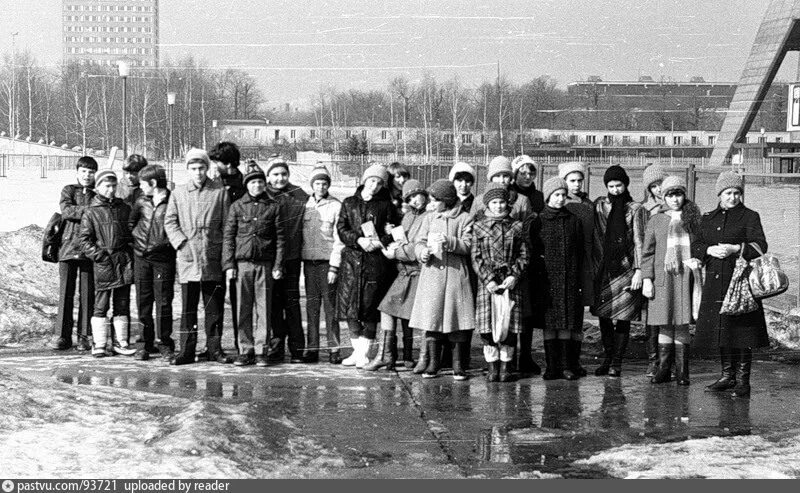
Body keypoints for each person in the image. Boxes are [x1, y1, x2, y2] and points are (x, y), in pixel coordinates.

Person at [694, 171, 768, 398]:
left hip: (741, 282)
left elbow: (761, 246)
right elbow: (696, 244)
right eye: (728, 193)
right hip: (716, 280)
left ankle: (743, 380)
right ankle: (727, 376)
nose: (733, 197)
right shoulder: (707, 218)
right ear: (719, 194)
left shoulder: (749, 216)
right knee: (722, 329)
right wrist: (708, 250)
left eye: (737, 193)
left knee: (742, 331)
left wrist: (737, 249)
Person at [164, 148, 232, 366]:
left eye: (202, 168)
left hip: (212, 256)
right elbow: (170, 222)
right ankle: (186, 350)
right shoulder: (178, 193)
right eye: (193, 168)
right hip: (188, 257)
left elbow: (228, 224)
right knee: (188, 308)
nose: (198, 172)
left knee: (214, 308)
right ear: (187, 170)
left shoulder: (219, 192)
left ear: (207, 168)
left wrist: (221, 249)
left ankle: (214, 348)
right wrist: (181, 244)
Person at [335, 164, 399, 368]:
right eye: (372, 180)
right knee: (350, 309)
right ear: (364, 180)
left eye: (380, 183)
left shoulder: (386, 205)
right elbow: (341, 228)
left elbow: (394, 230)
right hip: (351, 263)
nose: (375, 185)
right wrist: (358, 240)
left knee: (370, 309)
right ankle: (358, 352)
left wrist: (380, 240)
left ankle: (363, 353)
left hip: (374, 263)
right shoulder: (349, 202)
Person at [410, 179, 475, 379]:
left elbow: (469, 245)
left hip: (456, 276)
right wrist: (421, 253)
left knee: (456, 321)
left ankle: (457, 365)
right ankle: (433, 364)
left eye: (435, 200)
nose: (431, 203)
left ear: (446, 200)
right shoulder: (429, 219)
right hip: (432, 276)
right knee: (432, 320)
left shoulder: (465, 218)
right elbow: (419, 241)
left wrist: (450, 242)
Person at [223, 162, 285, 367]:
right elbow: (229, 238)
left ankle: (261, 351)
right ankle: (245, 349)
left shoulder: (273, 207)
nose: (256, 186)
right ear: (247, 185)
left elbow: (280, 239)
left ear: (264, 184)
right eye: (253, 182)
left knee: (264, 309)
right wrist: (229, 264)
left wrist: (277, 265)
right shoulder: (237, 207)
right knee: (242, 308)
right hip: (242, 265)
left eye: (260, 182)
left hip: (265, 265)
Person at [641, 175, 701, 386]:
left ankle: (683, 372)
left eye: (679, 194)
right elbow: (647, 253)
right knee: (664, 323)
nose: (675, 199)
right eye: (670, 195)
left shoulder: (693, 217)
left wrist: (698, 261)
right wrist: (647, 279)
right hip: (663, 278)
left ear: (685, 195)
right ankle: (664, 369)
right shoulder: (656, 219)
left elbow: (701, 245)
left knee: (682, 324)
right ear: (663, 197)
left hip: (685, 277)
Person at [366, 179, 428, 372]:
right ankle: (386, 356)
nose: (414, 200)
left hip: (420, 273)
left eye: (416, 195)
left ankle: (424, 358)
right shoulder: (408, 216)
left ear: (424, 194)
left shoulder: (430, 216)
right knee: (387, 308)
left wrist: (397, 252)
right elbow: (405, 240)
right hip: (405, 271)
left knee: (423, 317)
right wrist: (392, 237)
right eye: (409, 198)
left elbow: (419, 245)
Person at [592, 165, 647, 377]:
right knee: (604, 316)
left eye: (619, 185)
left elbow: (639, 240)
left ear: (626, 185)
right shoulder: (600, 207)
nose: (615, 190)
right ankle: (607, 358)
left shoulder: (635, 209)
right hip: (604, 269)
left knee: (623, 317)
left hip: (625, 268)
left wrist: (639, 270)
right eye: (611, 186)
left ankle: (617, 362)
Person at [472, 183, 529, 382]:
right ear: (488, 204)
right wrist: (487, 279)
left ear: (508, 203)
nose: (498, 206)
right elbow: (476, 257)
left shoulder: (516, 226)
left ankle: (506, 366)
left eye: (502, 202)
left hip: (510, 284)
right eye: (494, 202)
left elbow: (523, 254)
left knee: (509, 327)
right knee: (488, 328)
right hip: (488, 284)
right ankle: (492, 366)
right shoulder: (478, 226)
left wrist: (514, 275)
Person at [78, 169, 136, 358]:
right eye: (107, 186)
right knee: (101, 304)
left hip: (122, 262)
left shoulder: (124, 208)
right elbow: (84, 240)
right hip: (104, 264)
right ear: (98, 188)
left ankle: (121, 342)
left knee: (122, 303)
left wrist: (128, 252)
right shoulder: (91, 212)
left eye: (113, 186)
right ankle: (99, 343)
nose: (111, 190)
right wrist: (100, 256)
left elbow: (131, 233)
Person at [533, 177, 584, 380]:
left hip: (569, 279)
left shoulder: (573, 220)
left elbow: (580, 250)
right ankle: (551, 366)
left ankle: (565, 366)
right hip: (546, 281)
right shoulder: (538, 220)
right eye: (556, 195)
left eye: (563, 195)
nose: (561, 199)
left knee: (565, 324)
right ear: (547, 197)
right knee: (550, 324)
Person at [261, 156, 309, 364]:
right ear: (268, 176)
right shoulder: (263, 195)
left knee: (292, 302)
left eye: (283, 174)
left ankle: (297, 348)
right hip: (269, 258)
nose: (280, 178)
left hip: (291, 257)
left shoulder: (298, 194)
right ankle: (276, 345)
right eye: (275, 174)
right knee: (273, 303)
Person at [129, 164, 176, 361]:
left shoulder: (173, 201)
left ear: (153, 183)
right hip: (142, 258)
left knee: (164, 302)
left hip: (163, 260)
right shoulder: (141, 201)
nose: (140, 186)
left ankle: (164, 343)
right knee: (143, 301)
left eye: (142, 183)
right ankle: (143, 344)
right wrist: (137, 240)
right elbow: (132, 223)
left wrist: (165, 244)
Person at [53, 156, 97, 351]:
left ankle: (84, 335)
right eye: (84, 171)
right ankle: (62, 336)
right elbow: (67, 211)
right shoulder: (69, 190)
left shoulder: (98, 193)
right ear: (77, 172)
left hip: (89, 250)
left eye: (91, 172)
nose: (87, 175)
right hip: (68, 248)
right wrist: (90, 210)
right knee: (66, 293)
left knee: (88, 294)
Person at [301, 166, 344, 364]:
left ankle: (334, 349)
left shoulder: (335, 206)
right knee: (312, 308)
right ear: (312, 185)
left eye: (324, 183)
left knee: (330, 309)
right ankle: (312, 348)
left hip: (328, 264)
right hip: (309, 264)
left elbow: (339, 240)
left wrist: (335, 266)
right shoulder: (305, 205)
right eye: (317, 183)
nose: (321, 187)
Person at [209, 142, 246, 355]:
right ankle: (215, 345)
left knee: (238, 299)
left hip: (236, 248)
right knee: (214, 300)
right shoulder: (214, 183)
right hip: (216, 249)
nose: (214, 165)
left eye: (218, 161)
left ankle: (242, 344)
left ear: (229, 163)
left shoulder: (243, 185)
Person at [558, 161, 594, 376]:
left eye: (579, 180)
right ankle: (564, 362)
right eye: (572, 181)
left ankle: (575, 360)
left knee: (578, 315)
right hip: (566, 266)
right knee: (565, 315)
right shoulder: (560, 202)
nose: (577, 184)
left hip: (584, 265)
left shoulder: (588, 204)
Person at [640, 163, 668, 377]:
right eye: (654, 186)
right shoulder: (644, 210)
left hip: (669, 266)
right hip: (651, 266)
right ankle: (653, 359)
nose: (658, 189)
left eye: (661, 184)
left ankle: (668, 360)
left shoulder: (678, 207)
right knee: (651, 317)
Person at [470, 156, 532, 220]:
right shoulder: (479, 201)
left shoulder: (521, 201)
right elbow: (470, 224)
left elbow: (527, 227)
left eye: (505, 176)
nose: (501, 180)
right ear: (491, 178)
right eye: (497, 176)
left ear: (510, 178)